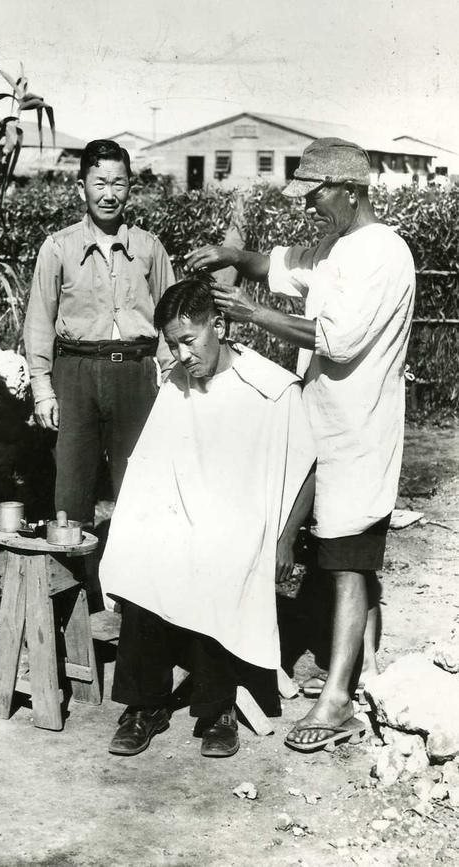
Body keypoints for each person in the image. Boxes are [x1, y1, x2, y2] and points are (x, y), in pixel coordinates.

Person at [185, 137, 416, 752]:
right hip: (324, 421)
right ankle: (360, 671)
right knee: (339, 554)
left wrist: (251, 314)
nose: (310, 204)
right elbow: (278, 266)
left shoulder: (383, 253)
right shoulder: (337, 245)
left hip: (360, 426)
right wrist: (230, 254)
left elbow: (336, 341)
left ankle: (337, 700)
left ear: (349, 190)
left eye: (317, 194)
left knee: (348, 559)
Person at [100, 276, 315, 758]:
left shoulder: (271, 388)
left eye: (189, 341)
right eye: (173, 345)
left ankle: (217, 710)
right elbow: (153, 464)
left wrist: (286, 539)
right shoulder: (176, 384)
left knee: (219, 563)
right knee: (142, 561)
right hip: (183, 519)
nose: (181, 356)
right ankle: (144, 705)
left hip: (240, 528)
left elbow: (306, 468)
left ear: (218, 324)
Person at [24, 139, 174, 525]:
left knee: (141, 483)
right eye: (100, 183)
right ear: (82, 187)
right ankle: (72, 581)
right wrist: (42, 389)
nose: (109, 195)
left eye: (118, 184)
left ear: (130, 188)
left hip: (136, 375)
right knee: (72, 488)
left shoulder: (149, 248)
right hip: (75, 374)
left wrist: (171, 377)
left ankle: (132, 581)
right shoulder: (58, 248)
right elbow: (39, 320)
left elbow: (171, 318)